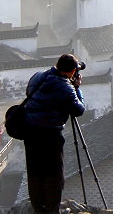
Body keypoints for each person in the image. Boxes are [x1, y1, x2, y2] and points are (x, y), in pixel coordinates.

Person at [23, 54, 86, 213]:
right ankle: (51, 210)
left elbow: (29, 93)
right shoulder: (66, 88)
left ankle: (38, 208)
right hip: (50, 136)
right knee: (54, 175)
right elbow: (79, 110)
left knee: (35, 172)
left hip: (30, 133)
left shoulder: (37, 77)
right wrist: (77, 88)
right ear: (72, 71)